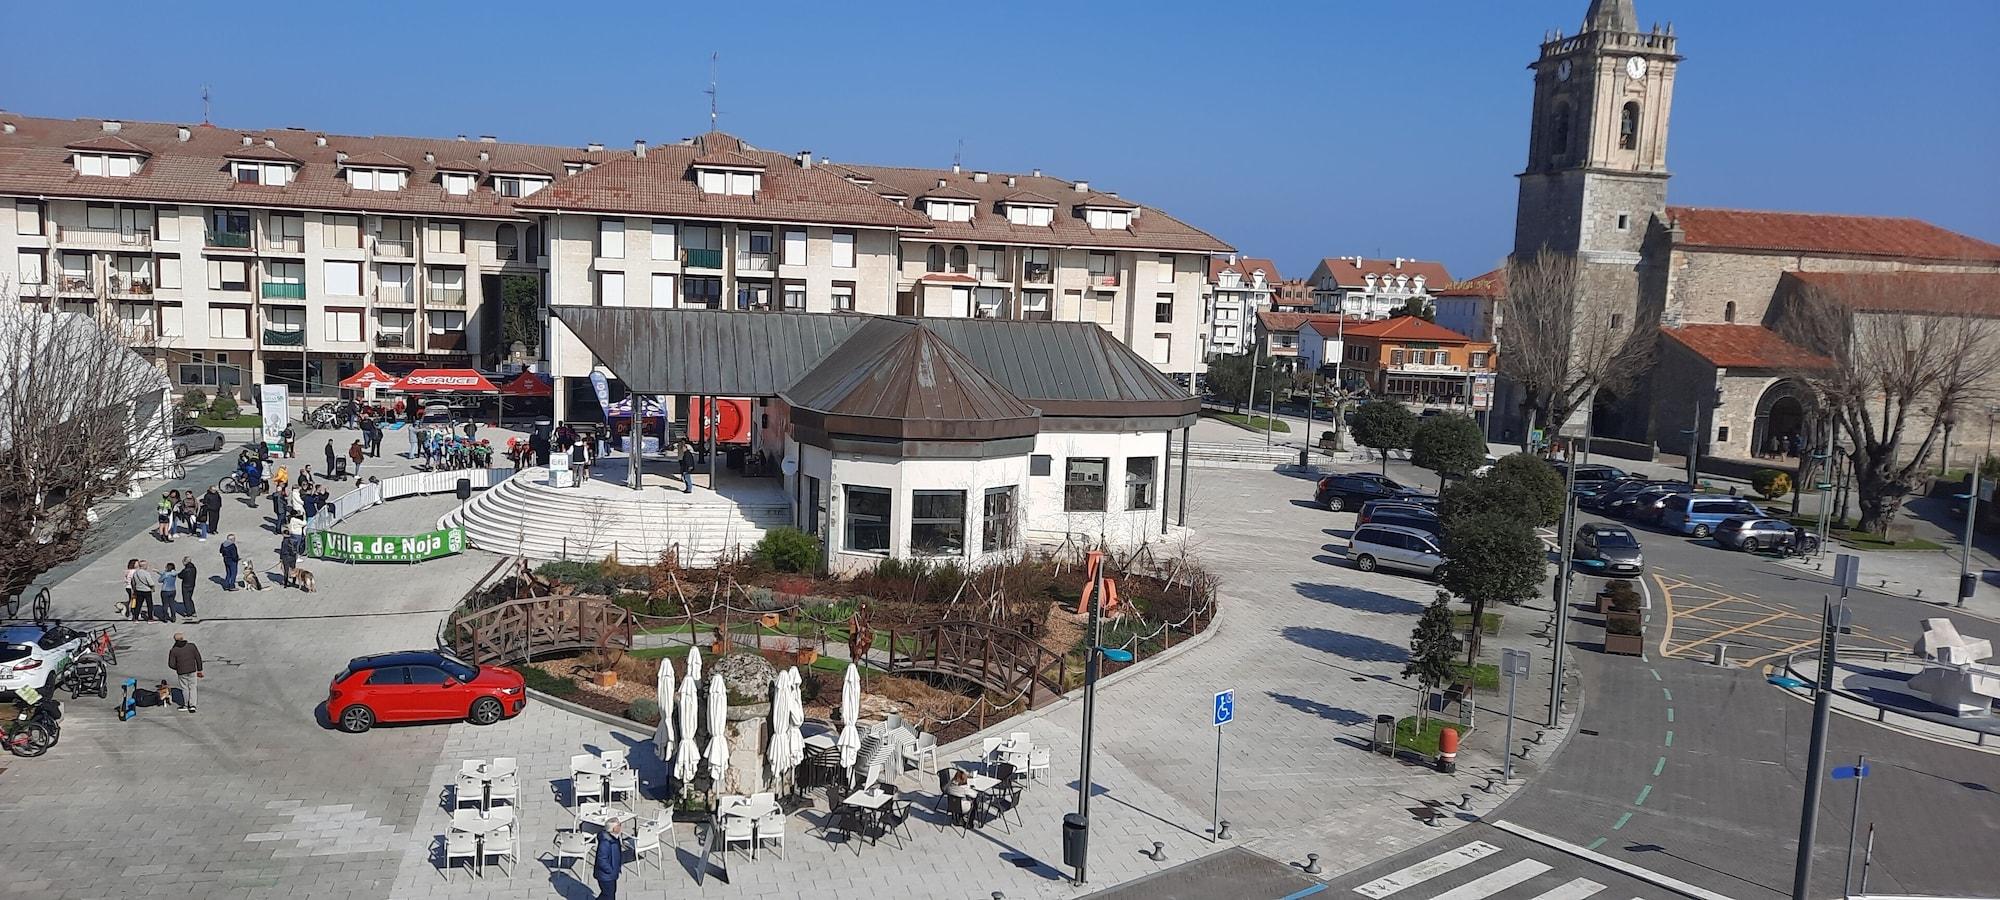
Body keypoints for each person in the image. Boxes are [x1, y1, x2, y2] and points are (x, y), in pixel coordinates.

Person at [167, 632, 203, 713]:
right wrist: (199, 669)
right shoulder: (191, 646)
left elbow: (171, 664)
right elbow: (198, 658)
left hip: (181, 672)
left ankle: (186, 705)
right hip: (192, 670)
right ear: (183, 638)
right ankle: (193, 705)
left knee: (185, 688)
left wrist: (178, 668)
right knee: (193, 687)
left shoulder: (174, 650)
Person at [592, 817, 623, 900]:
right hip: (605, 875)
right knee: (609, 895)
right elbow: (601, 860)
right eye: (618, 826)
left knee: (609, 893)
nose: (620, 827)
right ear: (612, 829)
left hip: (611, 874)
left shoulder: (615, 838)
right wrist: (610, 870)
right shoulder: (605, 843)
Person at [178, 556, 199, 620]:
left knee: (186, 599)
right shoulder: (194, 568)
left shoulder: (186, 570)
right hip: (192, 585)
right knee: (190, 598)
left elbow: (180, 575)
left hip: (186, 586)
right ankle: (193, 611)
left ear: (185, 562)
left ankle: (189, 613)